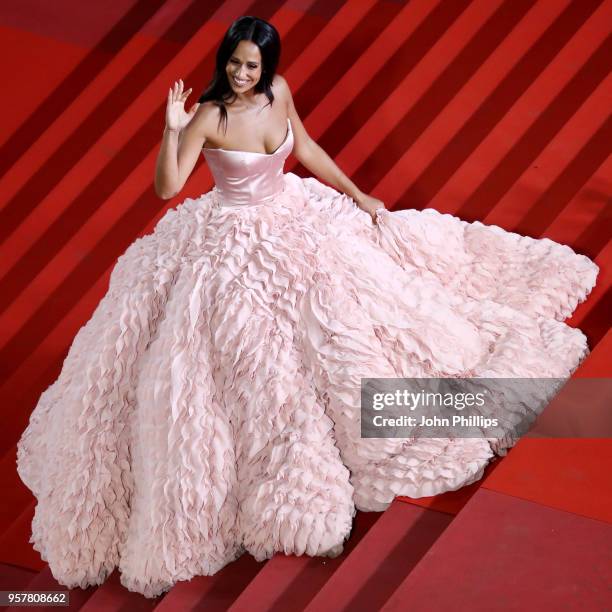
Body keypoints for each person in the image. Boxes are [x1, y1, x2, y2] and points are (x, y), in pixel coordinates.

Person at [16, 15, 598, 599]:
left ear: (267, 66)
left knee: (373, 321)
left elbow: (308, 146)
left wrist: (357, 192)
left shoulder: (280, 91)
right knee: (255, 357)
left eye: (253, 65)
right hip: (230, 243)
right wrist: (172, 130)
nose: (243, 75)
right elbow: (168, 188)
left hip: (297, 217)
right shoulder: (210, 116)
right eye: (235, 63)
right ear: (223, 60)